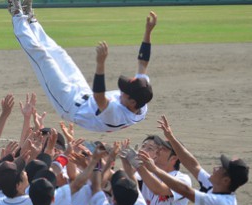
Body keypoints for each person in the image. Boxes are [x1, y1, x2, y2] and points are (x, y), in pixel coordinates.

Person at [9, 0, 157, 133]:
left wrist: (100, 63)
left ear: (132, 102)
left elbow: (99, 96)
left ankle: (16, 14)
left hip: (68, 105)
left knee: (43, 57)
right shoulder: (141, 102)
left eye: (125, 91)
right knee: (58, 52)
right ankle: (31, 20)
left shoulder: (117, 115)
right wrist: (148, 32)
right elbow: (143, 63)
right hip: (83, 92)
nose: (122, 91)